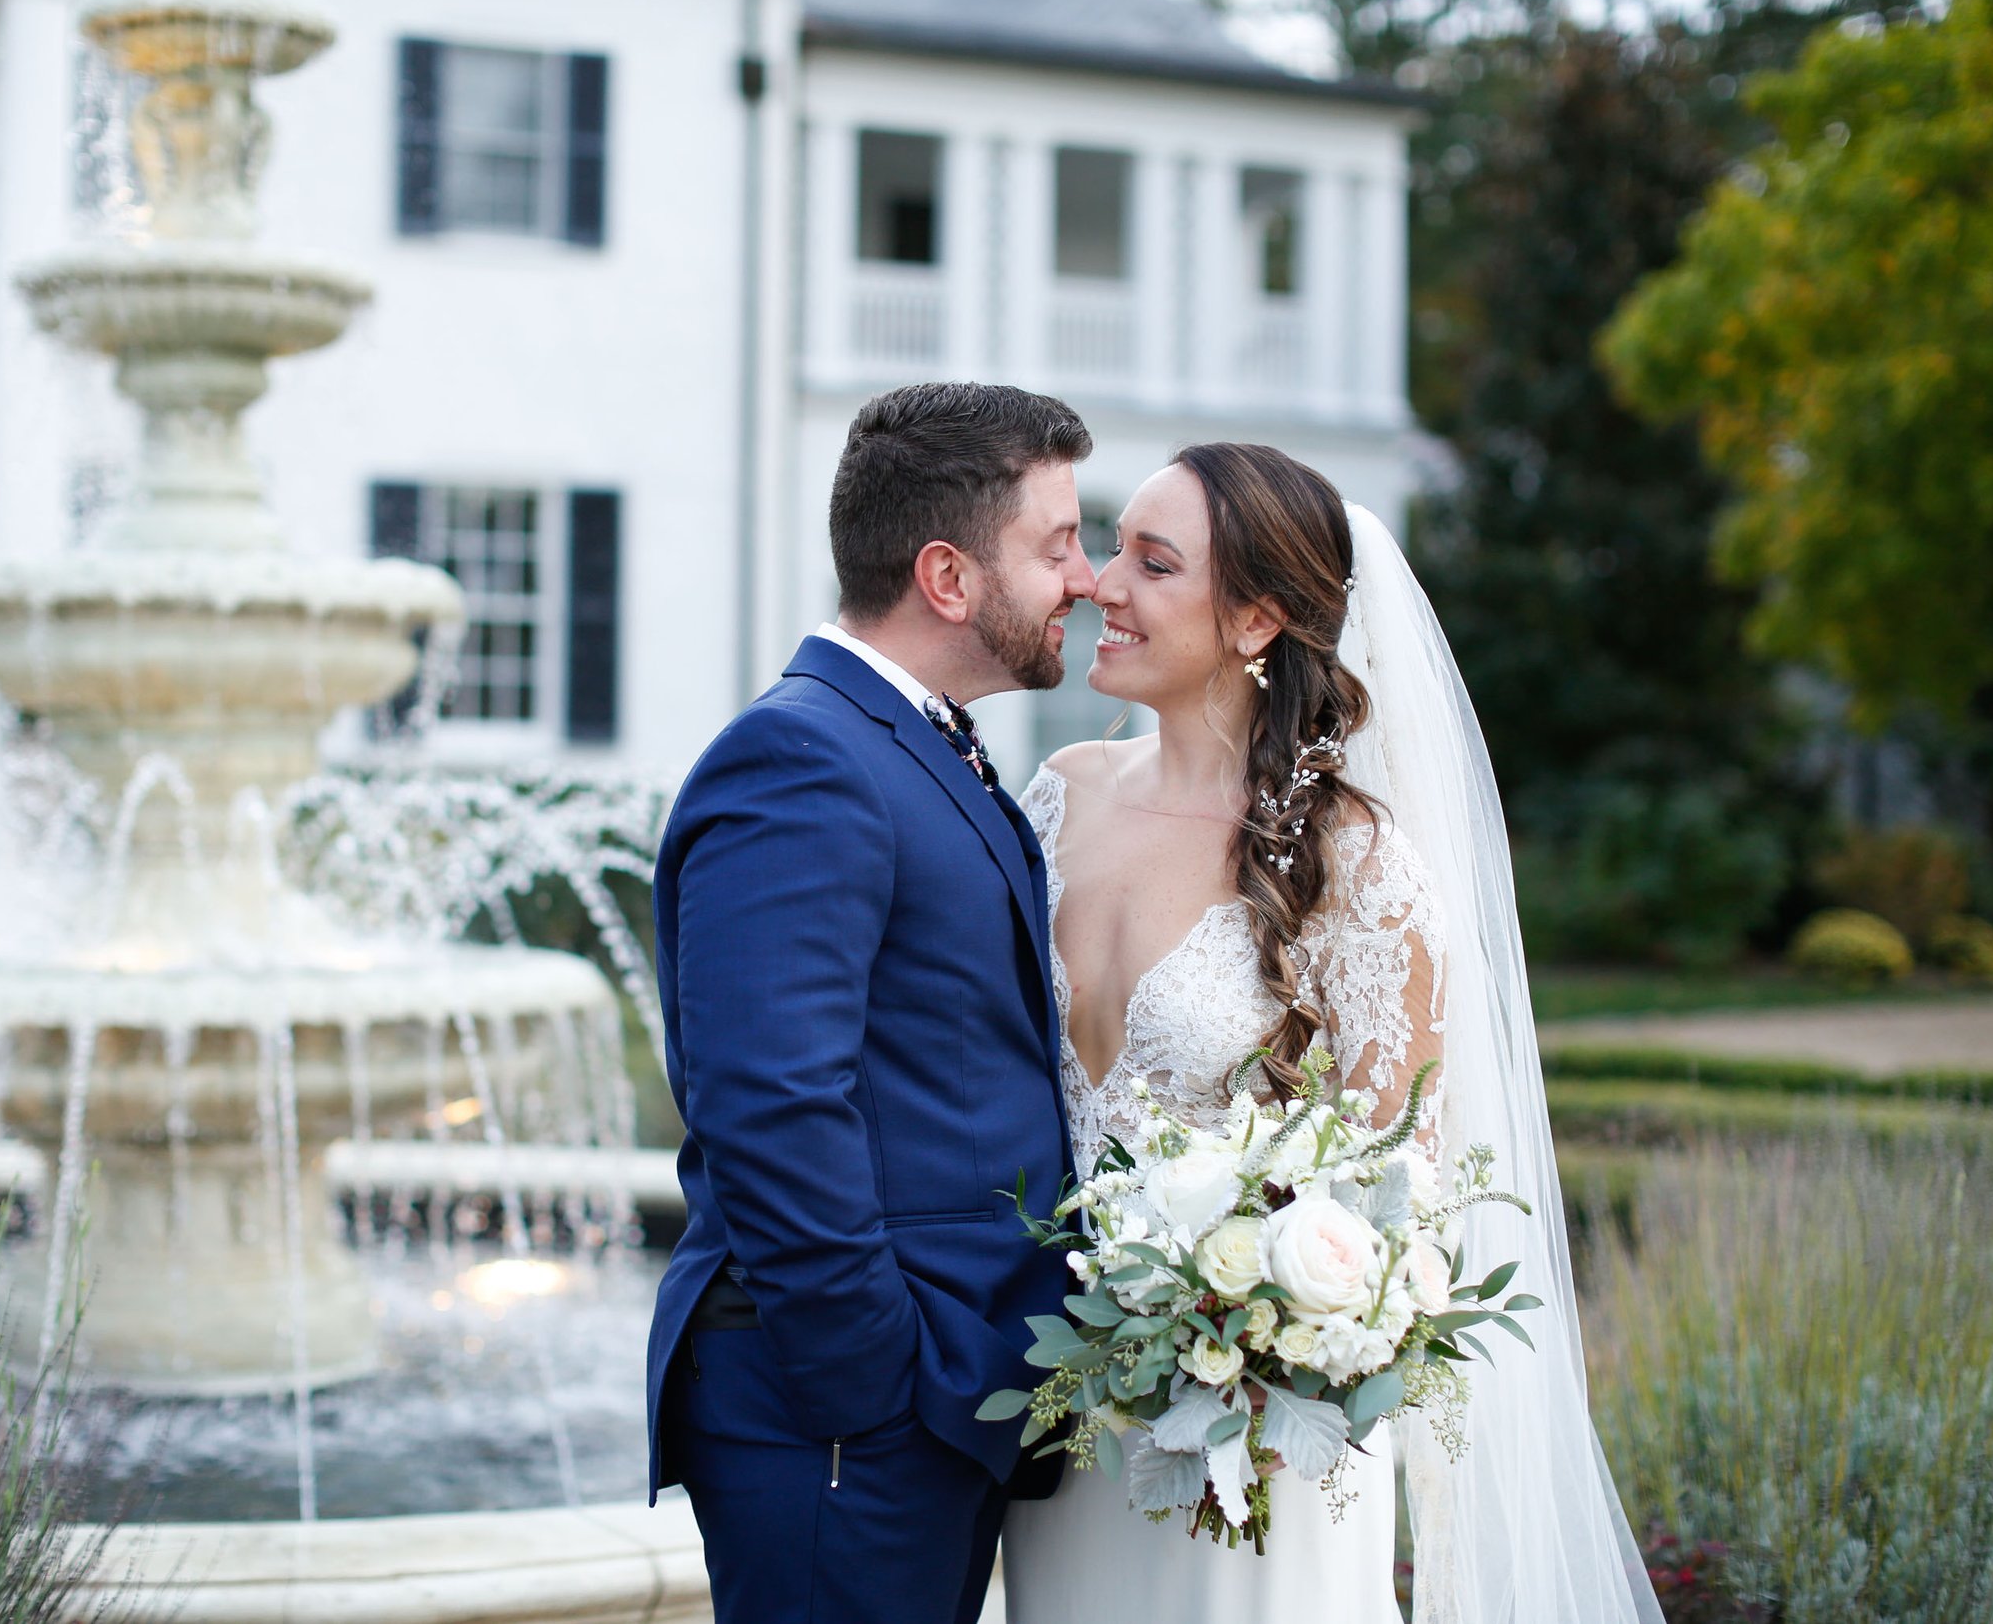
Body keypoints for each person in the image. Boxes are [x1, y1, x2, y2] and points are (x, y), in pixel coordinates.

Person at [1003, 444, 1663, 1624]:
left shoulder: (1358, 872)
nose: (1103, 582)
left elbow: (1395, 1200)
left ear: (1257, 618)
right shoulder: (1058, 793)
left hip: (1253, 1446)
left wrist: (1260, 1341)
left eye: (1153, 564)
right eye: (1113, 549)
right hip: (1062, 1417)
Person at [645, 382, 1096, 1624]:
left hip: (935, 1401)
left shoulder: (909, 741)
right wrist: (877, 1388)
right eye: (1056, 545)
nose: (1088, 576)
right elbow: (771, 1100)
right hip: (843, 1413)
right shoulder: (799, 758)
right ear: (948, 576)